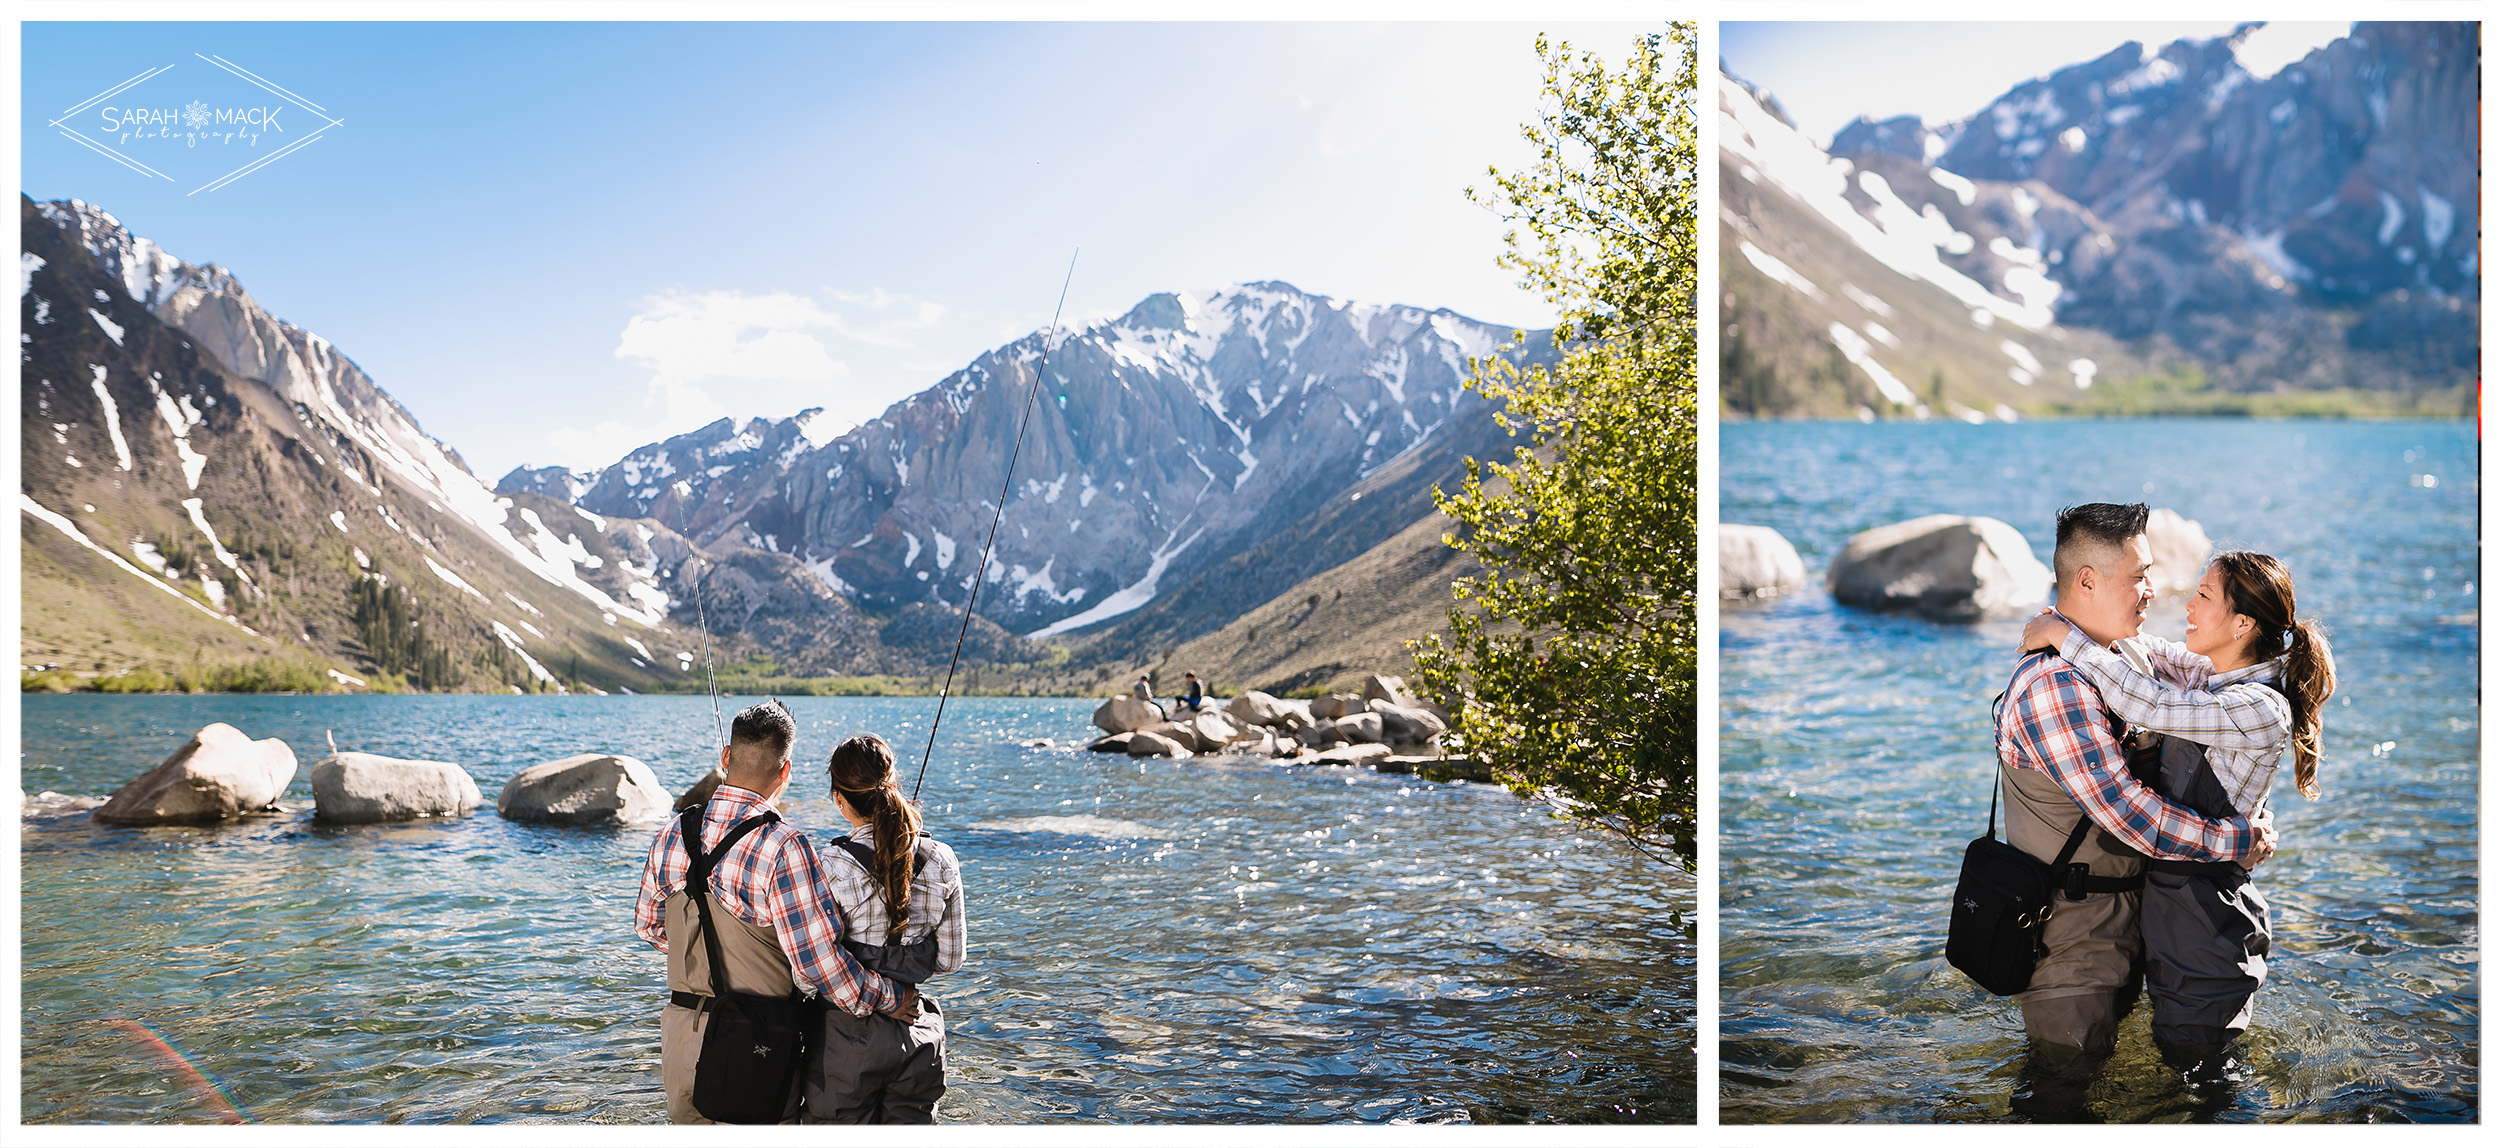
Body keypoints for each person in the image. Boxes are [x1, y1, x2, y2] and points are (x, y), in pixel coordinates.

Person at [2021, 549, 2335, 1065]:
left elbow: (2148, 703)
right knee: (2171, 1061)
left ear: (2242, 624)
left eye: (2204, 595)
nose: (2187, 605)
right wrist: (2078, 622)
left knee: (2203, 1079)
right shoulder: (2211, 676)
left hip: (2208, 920)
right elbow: (2148, 655)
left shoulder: (2258, 707)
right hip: (2171, 911)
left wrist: (2064, 638)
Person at [1992, 503, 2276, 1064]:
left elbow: (2214, 686)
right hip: (2071, 944)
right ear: (2088, 581)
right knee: (2063, 1093)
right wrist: (2237, 839)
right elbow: (2130, 813)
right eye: (2139, 576)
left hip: (2134, 928)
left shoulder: (2126, 654)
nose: (2153, 589)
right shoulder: (2055, 685)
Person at [633, 702, 916, 1124]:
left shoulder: (672, 833)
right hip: (758, 1043)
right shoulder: (785, 845)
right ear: (785, 772)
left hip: (680, 1038)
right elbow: (820, 965)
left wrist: (709, 955)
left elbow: (650, 927)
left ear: (726, 758)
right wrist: (891, 999)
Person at [804, 733, 966, 1123]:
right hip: (918, 1036)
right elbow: (949, 961)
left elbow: (808, 975)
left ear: (840, 799)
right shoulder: (941, 858)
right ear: (893, 786)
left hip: (844, 1044)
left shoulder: (828, 865)